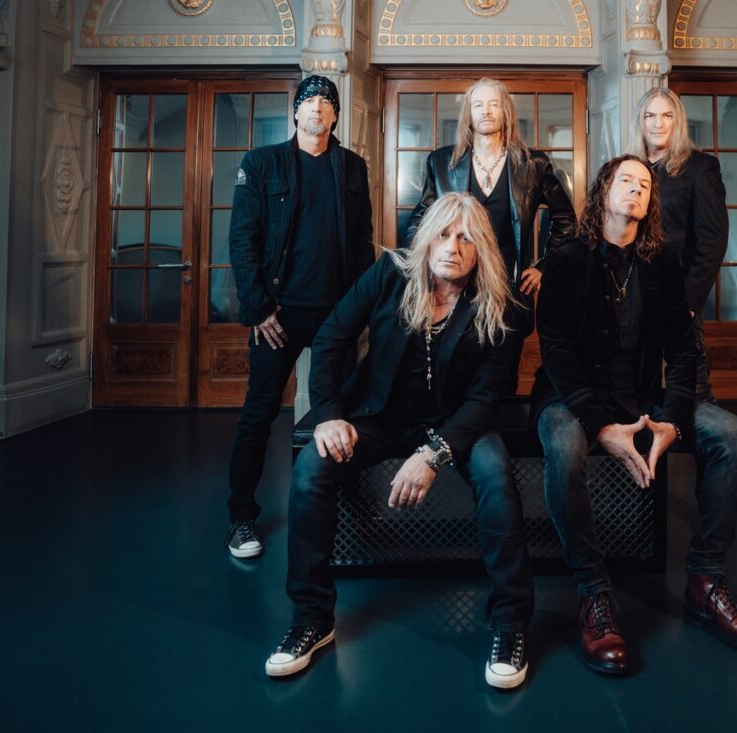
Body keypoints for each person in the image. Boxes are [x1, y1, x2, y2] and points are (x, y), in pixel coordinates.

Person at [265, 193, 534, 690]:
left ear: (482, 250)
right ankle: (311, 618)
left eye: (467, 238)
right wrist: (328, 415)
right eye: (444, 234)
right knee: (310, 471)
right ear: (426, 237)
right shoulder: (389, 274)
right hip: (380, 415)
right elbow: (331, 337)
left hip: (457, 423)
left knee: (495, 475)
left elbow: (488, 396)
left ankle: (511, 622)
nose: (452, 247)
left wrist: (433, 454)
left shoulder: (503, 304)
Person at [532, 155, 737, 676]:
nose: (637, 189)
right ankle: (594, 594)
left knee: (731, 435)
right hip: (569, 398)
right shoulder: (566, 258)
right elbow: (557, 352)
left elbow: (683, 351)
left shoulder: (661, 262)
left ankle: (705, 581)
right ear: (603, 191)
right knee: (565, 447)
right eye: (626, 180)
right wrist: (600, 425)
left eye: (645, 184)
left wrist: (673, 422)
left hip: (639, 398)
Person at [223, 75, 374, 559]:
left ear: (335, 115)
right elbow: (242, 239)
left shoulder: (352, 167)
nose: (316, 107)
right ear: (295, 112)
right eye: (308, 100)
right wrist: (258, 309)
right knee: (259, 413)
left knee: (344, 414)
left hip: (336, 316)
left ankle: (349, 506)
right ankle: (241, 518)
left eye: (326, 101)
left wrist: (362, 306)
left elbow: (363, 242)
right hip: (278, 317)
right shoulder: (262, 163)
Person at [406, 77, 577, 392]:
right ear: (469, 114)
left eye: (494, 104)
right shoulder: (442, 162)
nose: (486, 111)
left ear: (505, 112)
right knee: (451, 375)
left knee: (501, 380)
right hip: (454, 286)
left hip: (508, 288)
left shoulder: (533, 164)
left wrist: (544, 266)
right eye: (478, 104)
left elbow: (566, 221)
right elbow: (420, 220)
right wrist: (426, 264)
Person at [629, 86, 728, 402]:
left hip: (678, 294)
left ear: (677, 121)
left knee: (693, 389)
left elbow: (712, 241)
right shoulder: (630, 167)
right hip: (632, 293)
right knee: (633, 385)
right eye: (650, 115)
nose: (657, 123)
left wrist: (689, 303)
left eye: (666, 115)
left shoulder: (700, 167)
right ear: (641, 121)